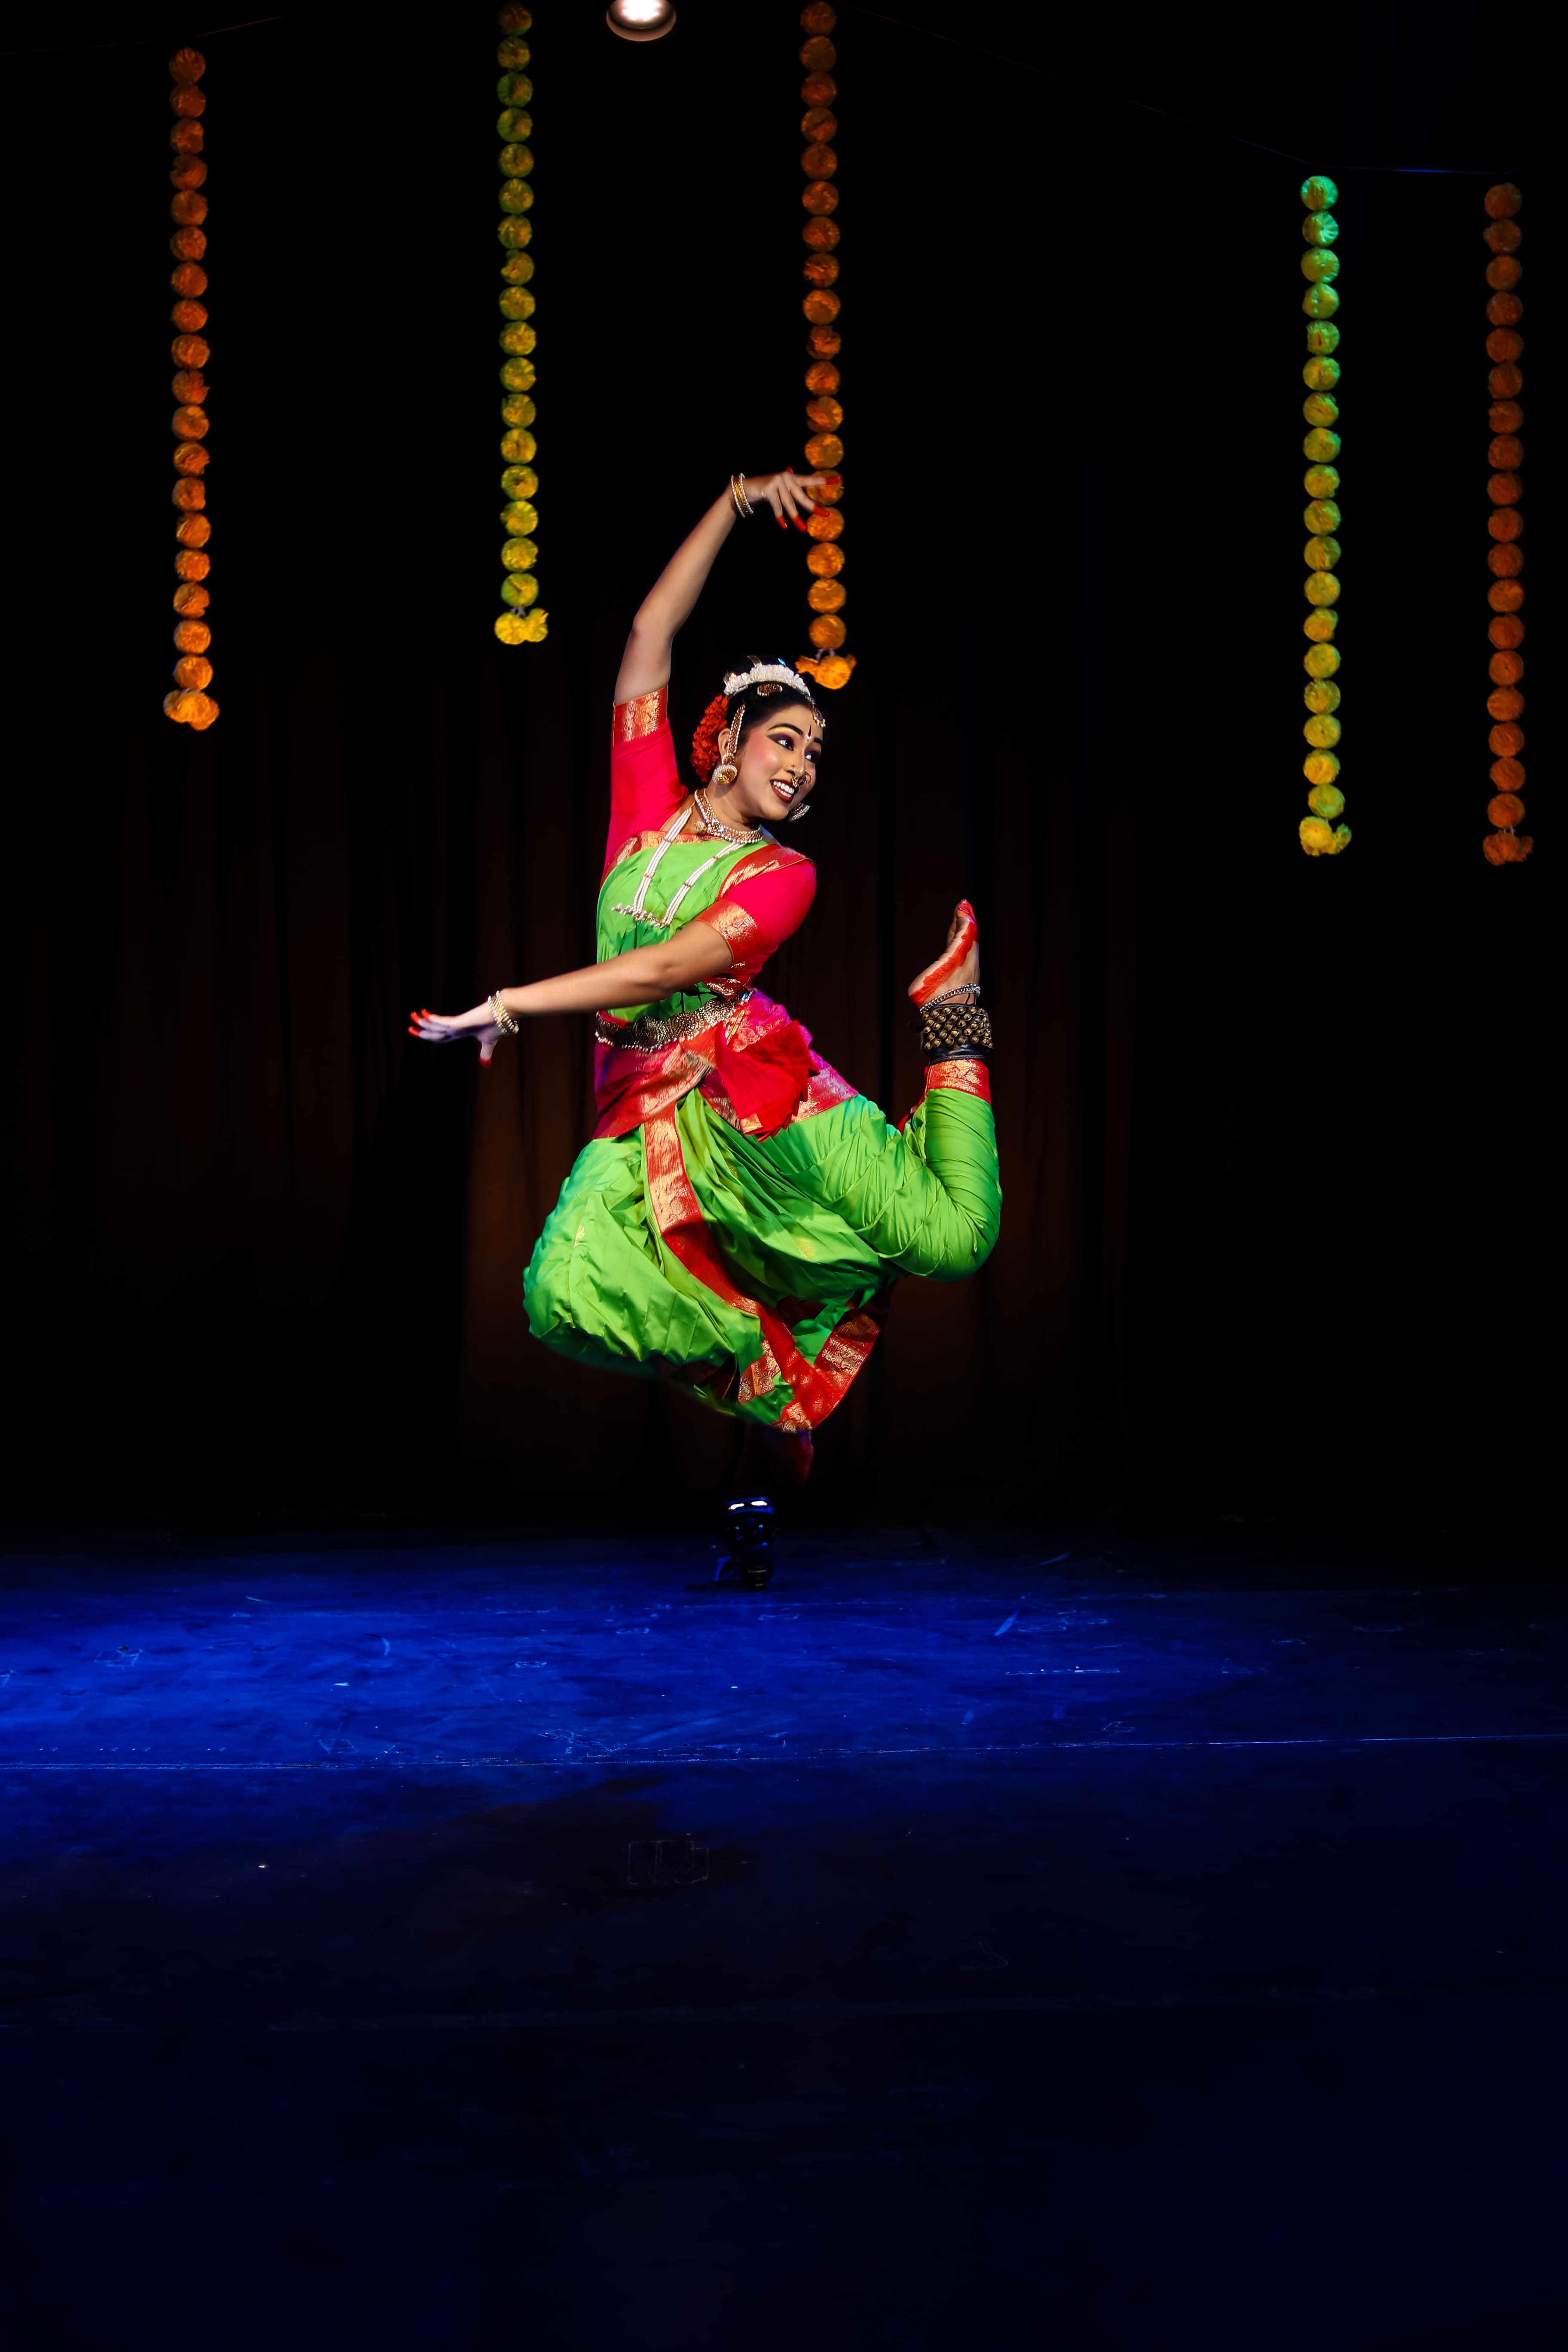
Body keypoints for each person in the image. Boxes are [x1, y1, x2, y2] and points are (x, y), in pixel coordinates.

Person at [411, 468, 1000, 1478]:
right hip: (639, 1106)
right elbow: (650, 635)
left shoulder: (786, 876)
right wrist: (733, 503)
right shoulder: (643, 805)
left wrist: (510, 1003)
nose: (804, 764)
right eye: (785, 738)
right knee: (561, 1300)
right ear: (726, 742)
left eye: (815, 752)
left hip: (763, 1103)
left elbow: (667, 968)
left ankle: (955, 1017)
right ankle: (767, 1372)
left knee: (952, 1243)